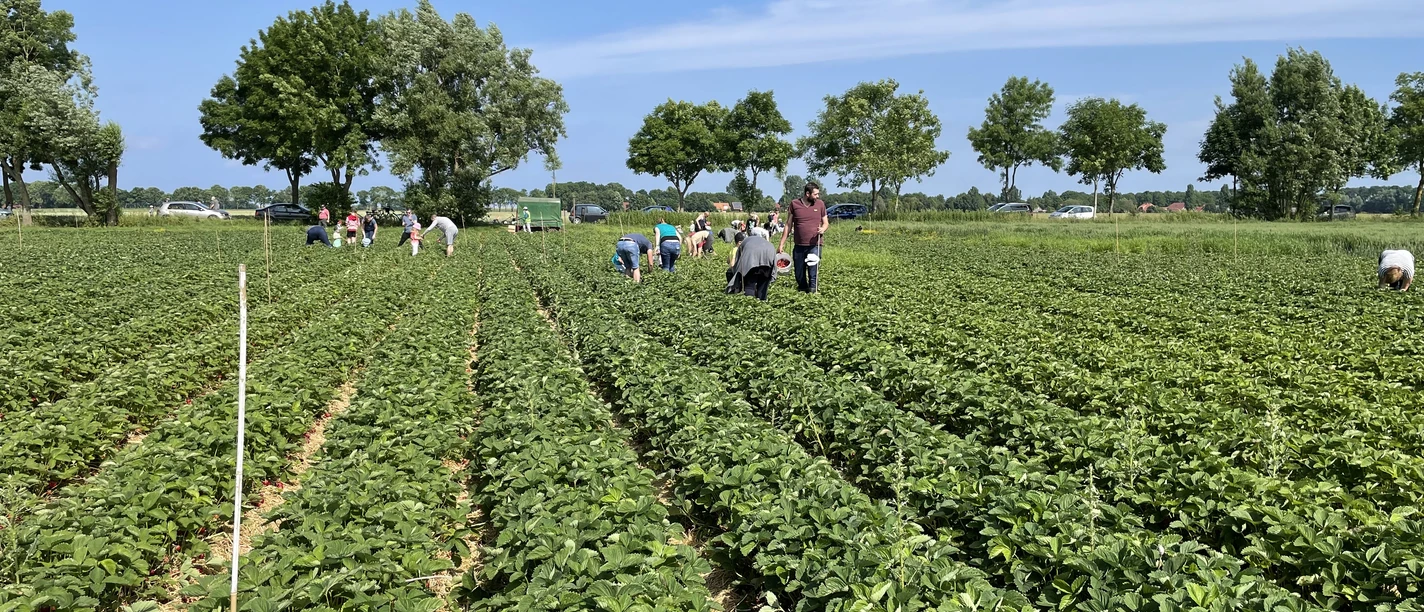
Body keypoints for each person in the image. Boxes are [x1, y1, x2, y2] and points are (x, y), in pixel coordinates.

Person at [779, 181, 829, 293]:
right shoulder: (794, 204)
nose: (817, 196)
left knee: (813, 269)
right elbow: (788, 224)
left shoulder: (820, 204)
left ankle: (812, 290)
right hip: (799, 245)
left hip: (815, 244)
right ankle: (802, 288)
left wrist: (823, 229)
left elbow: (826, 222)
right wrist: (781, 244)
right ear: (807, 194)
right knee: (799, 272)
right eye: (815, 194)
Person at [727, 233, 777, 300]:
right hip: (768, 260)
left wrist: (737, 275)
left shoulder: (744, 243)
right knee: (763, 285)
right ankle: (762, 302)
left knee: (750, 285)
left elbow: (738, 261)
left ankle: (750, 303)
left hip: (752, 262)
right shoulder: (764, 241)